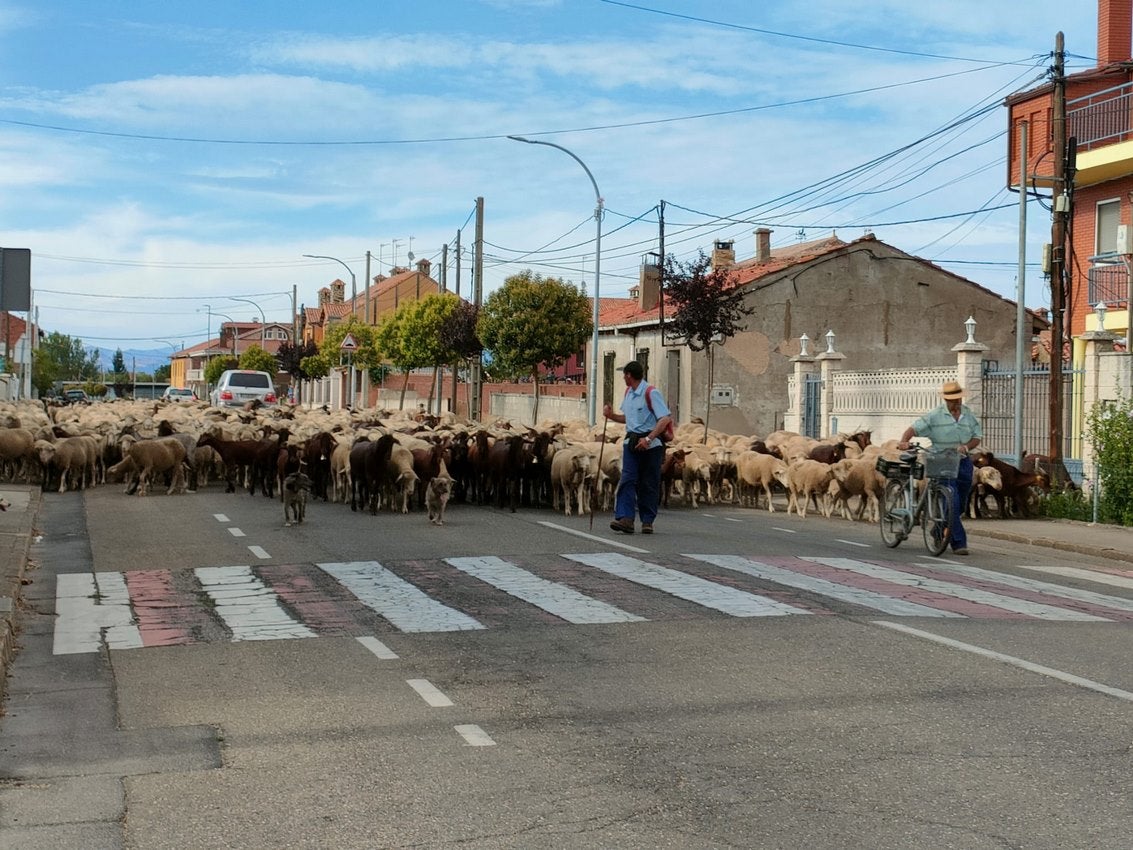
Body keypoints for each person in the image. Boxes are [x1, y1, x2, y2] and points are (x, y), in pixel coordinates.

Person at [898, 379, 982, 555]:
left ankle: (937, 529)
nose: (956, 402)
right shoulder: (934, 415)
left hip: (962, 460)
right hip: (941, 458)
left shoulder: (967, 414)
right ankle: (958, 543)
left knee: (962, 501)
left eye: (958, 399)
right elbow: (913, 429)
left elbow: (977, 436)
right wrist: (904, 441)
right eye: (953, 400)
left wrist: (966, 447)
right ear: (946, 400)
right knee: (951, 497)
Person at [602, 361, 673, 535]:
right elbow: (628, 418)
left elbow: (664, 419)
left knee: (648, 482)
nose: (623, 378)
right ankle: (626, 518)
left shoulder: (651, 392)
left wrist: (648, 439)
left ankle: (647, 520)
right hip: (632, 442)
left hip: (651, 444)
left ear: (628, 375)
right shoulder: (629, 393)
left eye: (624, 375)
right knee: (628, 478)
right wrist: (610, 416)